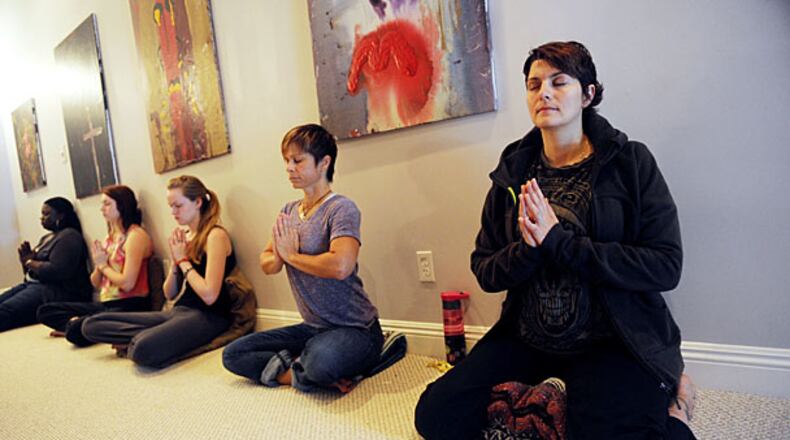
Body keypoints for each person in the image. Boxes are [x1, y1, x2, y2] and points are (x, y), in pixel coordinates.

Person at [414, 41, 697, 439]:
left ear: (588, 94)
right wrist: (527, 250)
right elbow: (486, 270)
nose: (543, 92)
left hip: (612, 340)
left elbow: (666, 266)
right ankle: (547, 406)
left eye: (559, 82)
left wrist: (559, 242)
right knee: (436, 415)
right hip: (528, 336)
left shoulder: (631, 162)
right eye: (534, 84)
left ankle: (678, 406)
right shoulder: (513, 172)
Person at [222, 124, 383, 393]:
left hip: (357, 330)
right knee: (233, 354)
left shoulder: (341, 209)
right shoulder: (289, 211)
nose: (289, 167)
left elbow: (340, 266)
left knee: (321, 361)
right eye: (286, 160)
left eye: (297, 160)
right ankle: (297, 373)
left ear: (324, 163)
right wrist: (279, 258)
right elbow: (267, 261)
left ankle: (311, 365)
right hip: (312, 329)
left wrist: (291, 256)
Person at [81, 176, 234, 368]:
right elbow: (169, 293)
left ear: (198, 202)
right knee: (91, 325)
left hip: (209, 316)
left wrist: (183, 260)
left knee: (142, 350)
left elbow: (210, 295)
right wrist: (174, 265)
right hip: (178, 311)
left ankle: (143, 338)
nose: (173, 212)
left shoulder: (215, 236)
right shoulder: (184, 237)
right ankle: (151, 335)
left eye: (178, 205)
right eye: (171, 206)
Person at [37, 185, 153, 346]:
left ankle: (77, 327)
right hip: (106, 304)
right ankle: (79, 326)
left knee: (78, 330)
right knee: (46, 311)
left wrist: (103, 265)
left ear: (121, 205)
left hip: (129, 304)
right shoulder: (110, 238)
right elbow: (95, 283)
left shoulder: (136, 236)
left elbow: (128, 283)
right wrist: (99, 266)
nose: (102, 209)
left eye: (107, 204)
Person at [0, 197, 91, 332]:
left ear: (61, 215)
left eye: (47, 214)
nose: (42, 218)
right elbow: (30, 271)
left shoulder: (69, 236)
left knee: (5, 311)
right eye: (42, 214)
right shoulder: (47, 238)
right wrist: (25, 262)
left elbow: (58, 270)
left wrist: (30, 262)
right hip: (34, 284)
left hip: (56, 290)